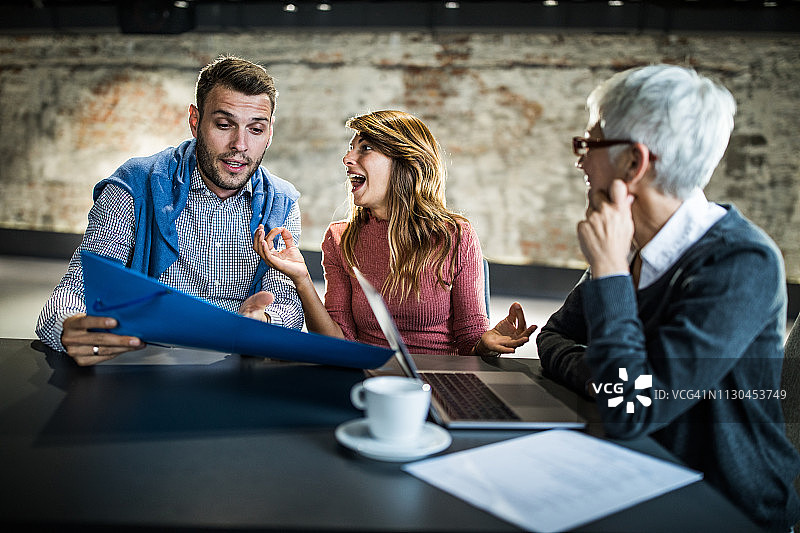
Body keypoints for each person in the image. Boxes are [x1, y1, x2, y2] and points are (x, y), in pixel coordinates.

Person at [536, 64, 800, 530]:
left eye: (589, 144)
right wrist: (601, 378)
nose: (580, 161)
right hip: (635, 473)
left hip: (724, 508)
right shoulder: (630, 244)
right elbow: (554, 336)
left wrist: (610, 270)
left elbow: (630, 409)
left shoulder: (741, 263)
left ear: (634, 163)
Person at [36, 55, 304, 366]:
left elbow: (287, 303)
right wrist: (69, 327)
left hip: (236, 364)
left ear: (270, 133)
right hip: (144, 361)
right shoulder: (135, 185)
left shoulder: (281, 202)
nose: (240, 145)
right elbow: (76, 288)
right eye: (224, 125)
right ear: (195, 121)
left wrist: (264, 321)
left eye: (255, 129)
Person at [254, 109, 535, 357]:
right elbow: (338, 343)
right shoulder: (340, 238)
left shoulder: (455, 236)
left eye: (365, 148)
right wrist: (302, 279)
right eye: (351, 148)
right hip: (368, 379)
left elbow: (470, 342)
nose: (347, 158)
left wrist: (486, 345)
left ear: (405, 162)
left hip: (437, 379)